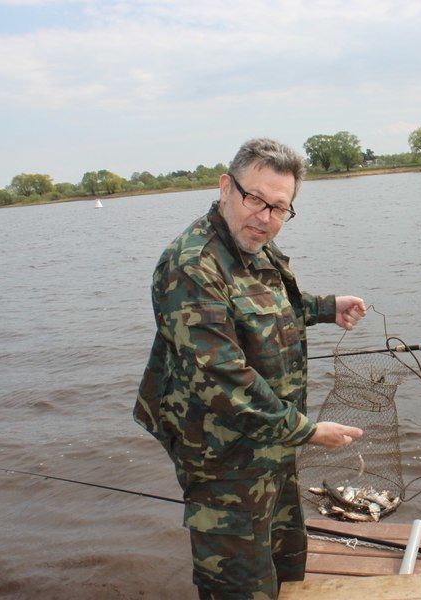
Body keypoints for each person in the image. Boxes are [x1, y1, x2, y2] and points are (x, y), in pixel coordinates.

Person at [133, 138, 366, 598]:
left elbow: (267, 307)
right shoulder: (191, 266)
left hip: (272, 449)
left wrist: (325, 307)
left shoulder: (254, 244)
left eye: (279, 208)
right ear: (226, 188)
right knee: (241, 588)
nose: (265, 217)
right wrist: (306, 431)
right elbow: (223, 379)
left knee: (286, 568)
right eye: (255, 199)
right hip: (224, 464)